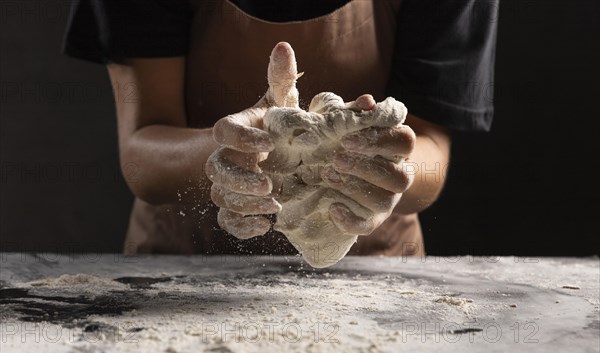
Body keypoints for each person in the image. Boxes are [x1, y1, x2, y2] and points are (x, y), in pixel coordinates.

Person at [63, 0, 497, 260]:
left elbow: (431, 149)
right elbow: (141, 152)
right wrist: (244, 154)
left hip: (374, 275)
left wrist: (384, 168)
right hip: (182, 275)